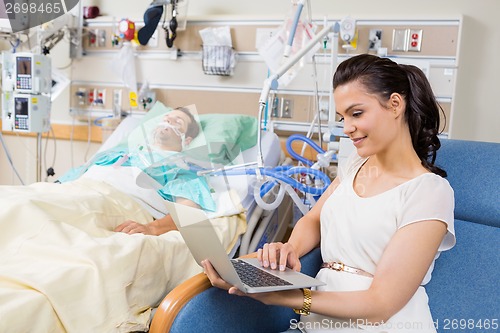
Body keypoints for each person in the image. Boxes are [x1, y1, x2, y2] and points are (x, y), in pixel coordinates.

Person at [202, 54, 455, 332]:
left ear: (395, 104)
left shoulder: (429, 192)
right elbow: (313, 220)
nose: (347, 128)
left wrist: (285, 297)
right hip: (315, 325)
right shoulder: (355, 165)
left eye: (356, 113)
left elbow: (381, 305)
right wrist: (289, 250)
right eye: (343, 117)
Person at [59, 106, 216, 236]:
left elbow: (188, 212)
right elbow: (72, 176)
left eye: (178, 121)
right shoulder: (120, 154)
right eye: (167, 117)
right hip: (74, 191)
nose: (169, 120)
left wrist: (152, 228)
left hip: (112, 203)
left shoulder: (180, 169)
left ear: (187, 140)